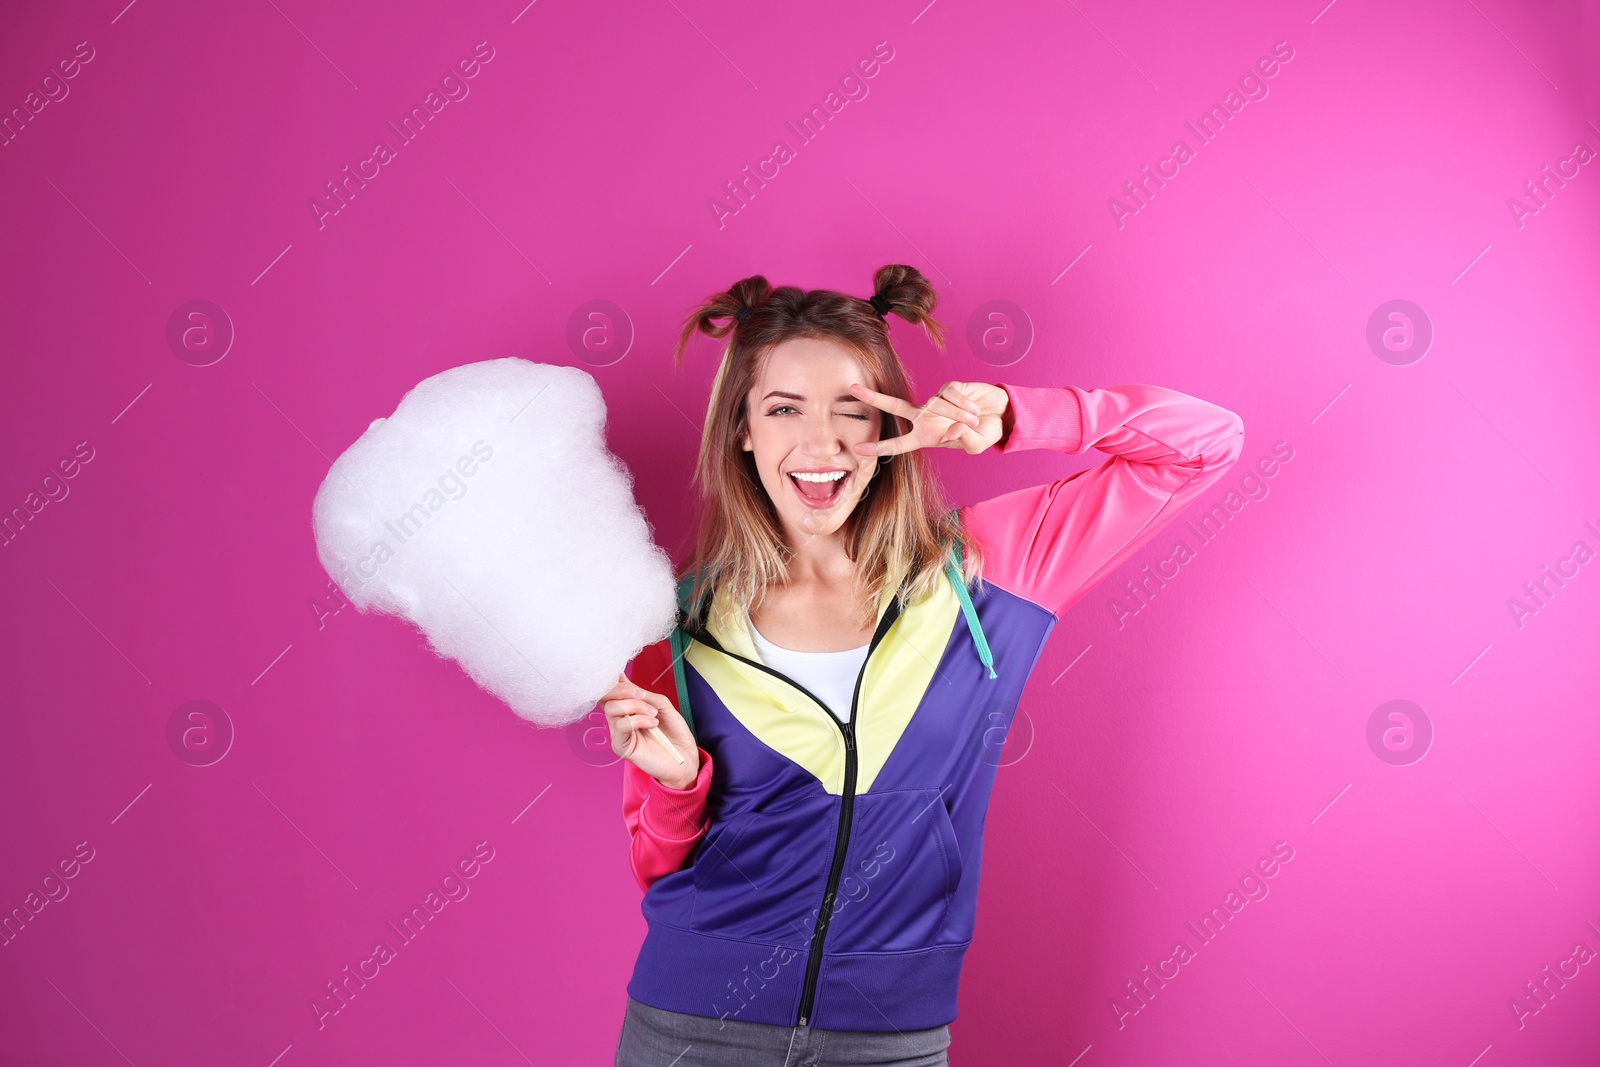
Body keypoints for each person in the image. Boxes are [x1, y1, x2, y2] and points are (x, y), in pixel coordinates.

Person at [602, 264, 1245, 1066]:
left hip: (888, 1036)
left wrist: (1015, 416)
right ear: (742, 429)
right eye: (783, 409)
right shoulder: (673, 625)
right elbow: (654, 863)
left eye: (853, 409)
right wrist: (674, 787)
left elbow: (1205, 444)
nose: (820, 443)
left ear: (893, 420)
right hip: (687, 1029)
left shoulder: (990, 573)